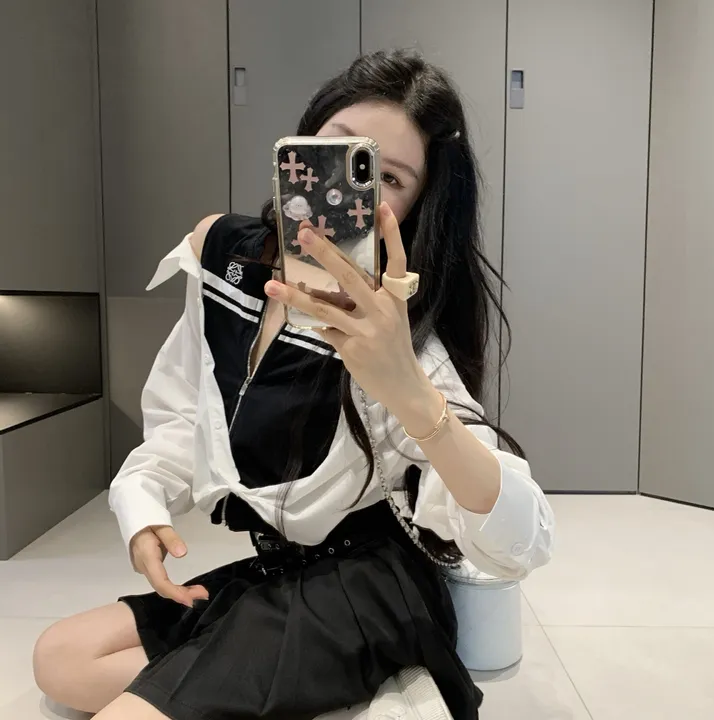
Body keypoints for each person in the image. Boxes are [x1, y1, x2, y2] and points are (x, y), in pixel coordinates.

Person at [32, 50, 554, 720]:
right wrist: (144, 508)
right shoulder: (228, 259)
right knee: (61, 659)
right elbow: (183, 412)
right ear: (300, 143)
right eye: (339, 151)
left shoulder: (394, 329)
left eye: (388, 178)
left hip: (370, 586)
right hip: (283, 568)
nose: (347, 191)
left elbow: (522, 538)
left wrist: (407, 388)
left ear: (414, 207)